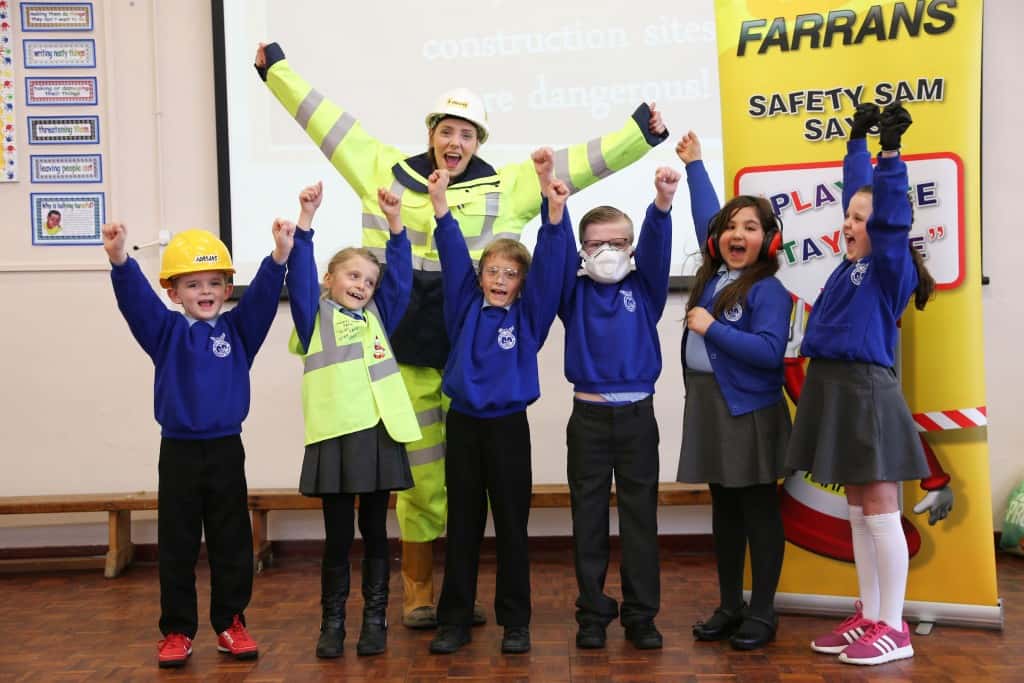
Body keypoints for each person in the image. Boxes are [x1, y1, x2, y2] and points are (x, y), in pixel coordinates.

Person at [254, 41, 669, 628]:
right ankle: (423, 594)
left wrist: (638, 132)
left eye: (467, 134)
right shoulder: (380, 166)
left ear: (479, 141)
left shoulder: (510, 184)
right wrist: (276, 69)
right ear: (431, 134)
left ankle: (483, 601)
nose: (455, 143)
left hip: (478, 363)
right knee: (422, 481)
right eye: (447, 130)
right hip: (400, 358)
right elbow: (327, 122)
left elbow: (577, 164)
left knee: (476, 489)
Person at [101, 219, 293, 668]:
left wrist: (279, 257)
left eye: (214, 283)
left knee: (231, 541)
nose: (205, 292)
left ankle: (231, 623)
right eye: (193, 285)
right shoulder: (165, 333)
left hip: (227, 450)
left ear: (228, 289)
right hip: (180, 453)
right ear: (174, 293)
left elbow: (264, 302)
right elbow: (137, 304)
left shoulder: (239, 332)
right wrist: (120, 261)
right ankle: (176, 631)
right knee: (178, 543)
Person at [786, 101, 935, 666]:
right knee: (857, 509)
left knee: (879, 508)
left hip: (866, 391)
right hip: (834, 389)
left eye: (858, 221)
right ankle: (870, 615)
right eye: (846, 217)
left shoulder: (888, 268)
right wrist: (857, 145)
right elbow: (862, 195)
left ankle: (894, 626)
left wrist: (891, 156)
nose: (849, 225)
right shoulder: (851, 260)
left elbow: (887, 216)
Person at [424, 151, 571, 655]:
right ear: (480, 275)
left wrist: (554, 215)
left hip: (509, 428)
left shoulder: (529, 320)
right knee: (462, 525)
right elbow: (449, 253)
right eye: (493, 270)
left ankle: (516, 622)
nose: (501, 279)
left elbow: (551, 271)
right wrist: (441, 205)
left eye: (511, 273)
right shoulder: (463, 307)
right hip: (463, 426)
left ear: (521, 283)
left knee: (511, 525)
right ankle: (455, 620)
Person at [286, 181, 420, 658]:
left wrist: (397, 227)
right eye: (353, 277)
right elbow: (298, 278)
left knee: (377, 533)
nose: (361, 286)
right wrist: (305, 222)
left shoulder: (381, 314)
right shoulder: (313, 316)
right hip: (335, 440)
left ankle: (375, 620)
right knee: (339, 535)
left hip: (379, 435)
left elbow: (401, 279)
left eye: (368, 281)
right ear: (330, 279)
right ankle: (333, 623)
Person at [673, 131, 793, 650]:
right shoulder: (716, 273)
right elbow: (709, 216)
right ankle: (729, 605)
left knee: (758, 511)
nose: (736, 234)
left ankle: (762, 612)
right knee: (724, 509)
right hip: (708, 406)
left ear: (768, 240)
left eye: (751, 227)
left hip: (749, 412)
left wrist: (711, 328)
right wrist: (696, 166)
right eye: (730, 228)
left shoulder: (768, 290)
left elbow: (769, 353)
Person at [557, 162, 680, 650]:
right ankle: (591, 613)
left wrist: (663, 204)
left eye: (619, 242)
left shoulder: (644, 289)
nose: (608, 252)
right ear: (582, 251)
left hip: (636, 418)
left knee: (639, 519)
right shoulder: (573, 292)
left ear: (631, 246)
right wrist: (557, 210)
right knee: (586, 519)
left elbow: (659, 245)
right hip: (587, 419)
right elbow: (552, 256)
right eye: (596, 244)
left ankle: (641, 615)